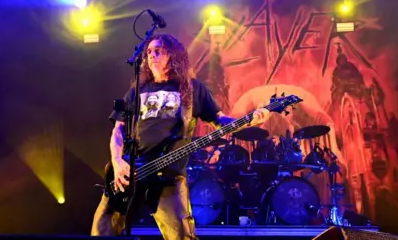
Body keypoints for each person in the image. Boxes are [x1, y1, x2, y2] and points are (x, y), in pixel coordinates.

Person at [91, 34, 271, 239]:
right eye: (149, 52)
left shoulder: (192, 88)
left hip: (169, 175)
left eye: (158, 50)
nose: (152, 55)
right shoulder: (137, 91)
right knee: (101, 232)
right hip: (130, 172)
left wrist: (249, 120)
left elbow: (219, 121)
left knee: (182, 237)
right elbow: (118, 130)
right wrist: (116, 161)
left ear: (173, 55)